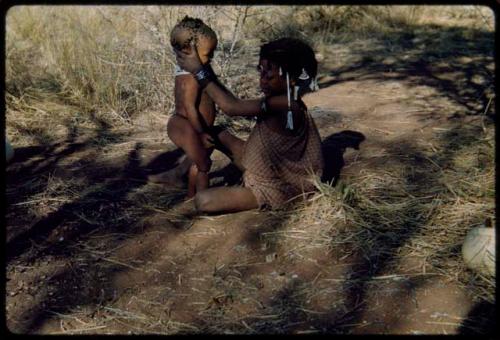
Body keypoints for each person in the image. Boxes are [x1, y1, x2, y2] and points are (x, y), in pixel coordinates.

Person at [175, 37, 324, 213]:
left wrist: (199, 71)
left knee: (203, 201)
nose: (263, 79)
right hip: (263, 166)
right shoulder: (282, 100)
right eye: (261, 71)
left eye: (270, 73)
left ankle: (244, 192)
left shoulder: (285, 104)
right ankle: (181, 173)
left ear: (292, 79)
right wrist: (203, 67)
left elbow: (231, 107)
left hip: (279, 187)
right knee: (214, 133)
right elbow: (232, 100)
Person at [150, 16, 218, 198]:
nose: (211, 59)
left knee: (198, 160)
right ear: (189, 50)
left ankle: (185, 187)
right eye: (208, 54)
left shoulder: (198, 70)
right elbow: (190, 107)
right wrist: (201, 133)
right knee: (203, 164)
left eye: (212, 54)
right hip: (188, 125)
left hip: (197, 126)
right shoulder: (189, 77)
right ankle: (201, 198)